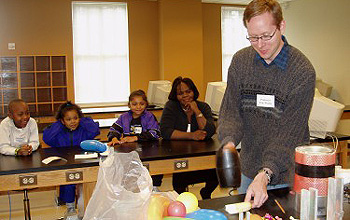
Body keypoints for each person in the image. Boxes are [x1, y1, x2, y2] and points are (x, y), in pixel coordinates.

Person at [218, 0, 316, 208]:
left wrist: (266, 173)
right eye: (253, 37)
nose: (260, 44)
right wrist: (228, 142)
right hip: (249, 168)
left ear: (281, 26)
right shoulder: (240, 62)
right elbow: (231, 110)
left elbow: (289, 134)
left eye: (266, 36)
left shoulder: (302, 72)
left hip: (284, 173)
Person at [160, 76, 218, 199]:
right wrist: (192, 136)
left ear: (194, 91)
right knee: (179, 184)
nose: (185, 95)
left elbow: (210, 130)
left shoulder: (203, 106)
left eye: (188, 91)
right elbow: (165, 131)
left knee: (216, 174)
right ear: (175, 95)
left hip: (201, 153)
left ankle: (206, 193)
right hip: (179, 153)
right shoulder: (171, 107)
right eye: (181, 93)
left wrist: (197, 111)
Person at [43, 101, 100, 217]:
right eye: (68, 119)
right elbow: (47, 138)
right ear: (63, 121)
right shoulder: (59, 132)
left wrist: (82, 119)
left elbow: (95, 130)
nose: (73, 122)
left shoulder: (83, 129)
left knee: (88, 182)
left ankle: (88, 207)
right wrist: (60, 123)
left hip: (83, 160)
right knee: (68, 182)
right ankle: (70, 207)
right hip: (66, 161)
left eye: (75, 118)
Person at [107, 89, 162, 188]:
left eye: (141, 104)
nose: (138, 107)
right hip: (130, 152)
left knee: (154, 169)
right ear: (129, 105)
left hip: (149, 151)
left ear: (146, 104)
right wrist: (114, 138)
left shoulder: (149, 117)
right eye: (134, 104)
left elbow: (155, 133)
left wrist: (136, 138)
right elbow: (114, 129)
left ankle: (154, 187)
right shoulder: (124, 117)